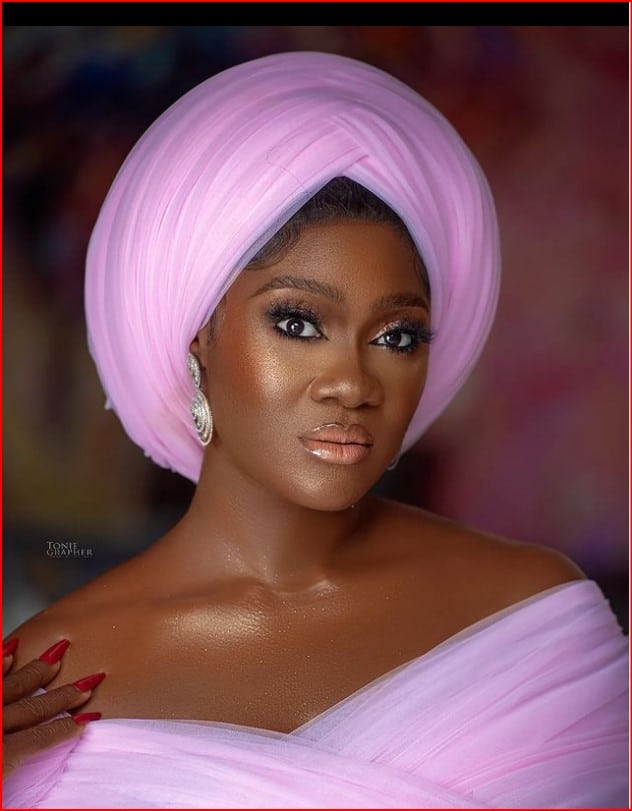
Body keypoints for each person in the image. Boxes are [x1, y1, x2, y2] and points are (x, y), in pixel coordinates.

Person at [3, 51, 627, 809]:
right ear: (197, 339)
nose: (353, 383)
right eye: (298, 323)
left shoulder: (537, 621)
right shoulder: (40, 685)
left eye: (397, 336)